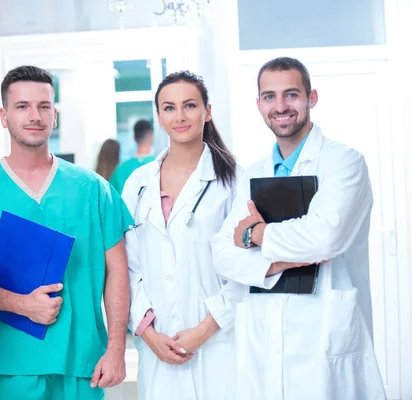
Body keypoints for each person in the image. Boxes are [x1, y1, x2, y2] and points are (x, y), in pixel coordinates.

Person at [0, 65, 133, 400]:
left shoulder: (92, 189)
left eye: (44, 106)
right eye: (22, 106)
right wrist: (21, 304)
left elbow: (117, 270)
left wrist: (117, 347)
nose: (35, 115)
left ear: (55, 115)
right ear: (4, 116)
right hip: (9, 362)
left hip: (83, 360)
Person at [212, 57, 386, 399]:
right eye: (269, 97)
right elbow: (222, 253)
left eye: (291, 95)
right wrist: (281, 261)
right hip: (266, 334)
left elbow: (324, 237)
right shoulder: (254, 172)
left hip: (324, 332)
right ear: (258, 104)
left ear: (312, 97)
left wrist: (257, 235)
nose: (280, 107)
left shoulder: (343, 162)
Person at [122, 71, 245, 400]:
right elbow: (127, 266)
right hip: (157, 342)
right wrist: (148, 334)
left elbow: (248, 268)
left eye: (189, 105)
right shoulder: (138, 183)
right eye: (169, 107)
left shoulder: (235, 181)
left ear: (207, 111)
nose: (179, 116)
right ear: (159, 117)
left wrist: (204, 330)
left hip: (220, 342)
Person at [109, 119, 156, 193]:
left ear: (134, 138)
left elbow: (112, 198)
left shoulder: (120, 169)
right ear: (152, 138)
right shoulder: (160, 165)